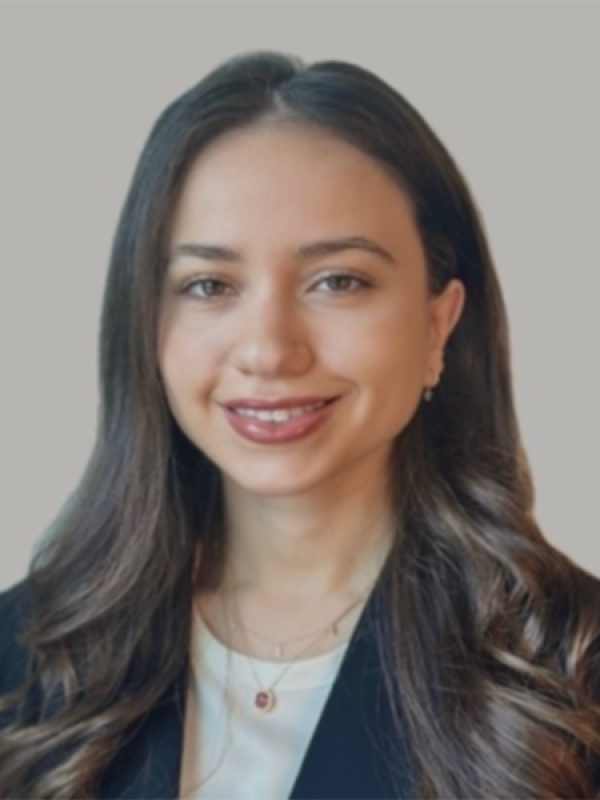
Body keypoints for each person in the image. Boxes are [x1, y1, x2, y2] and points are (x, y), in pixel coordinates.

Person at [0, 50, 599, 800]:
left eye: (337, 281)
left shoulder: (571, 675)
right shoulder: (26, 658)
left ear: (438, 324)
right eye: (209, 285)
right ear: (146, 323)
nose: (269, 350)